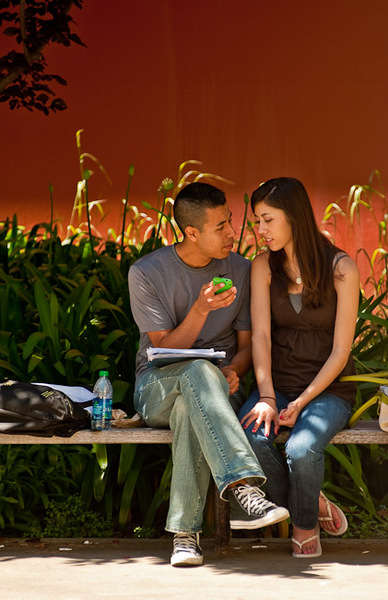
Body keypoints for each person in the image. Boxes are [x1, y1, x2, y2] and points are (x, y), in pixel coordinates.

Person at [128, 182, 289, 567]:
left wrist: (234, 368)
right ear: (192, 233)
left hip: (215, 391)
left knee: (192, 408)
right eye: (221, 226)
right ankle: (244, 486)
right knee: (196, 373)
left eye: (230, 221)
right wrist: (200, 310)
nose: (233, 233)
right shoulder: (147, 273)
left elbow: (249, 345)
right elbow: (161, 347)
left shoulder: (241, 269)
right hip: (156, 386)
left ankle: (185, 538)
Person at [239, 177, 359, 558]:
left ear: (294, 217)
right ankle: (312, 502)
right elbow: (260, 337)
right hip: (277, 384)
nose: (261, 231)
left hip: (327, 389)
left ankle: (304, 526)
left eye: (268, 220)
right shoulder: (263, 267)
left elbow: (341, 350)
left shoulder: (341, 268)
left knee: (303, 449)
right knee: (251, 437)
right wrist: (268, 397)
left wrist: (304, 401)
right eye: (258, 221)